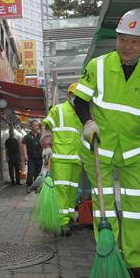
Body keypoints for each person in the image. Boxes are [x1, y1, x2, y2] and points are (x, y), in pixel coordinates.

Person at [72, 8, 140, 278]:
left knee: (134, 209)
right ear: (117, 38)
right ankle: (110, 256)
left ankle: (135, 261)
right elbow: (80, 100)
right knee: (105, 206)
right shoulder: (98, 66)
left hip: (132, 153)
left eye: (134, 41)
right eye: (123, 39)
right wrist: (87, 123)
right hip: (98, 148)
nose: (127, 46)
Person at [41, 83, 83, 236]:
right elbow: (47, 127)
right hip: (61, 158)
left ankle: (70, 218)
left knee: (72, 192)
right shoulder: (58, 109)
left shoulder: (81, 113)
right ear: (69, 96)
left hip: (76, 160)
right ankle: (61, 222)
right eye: (75, 96)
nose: (77, 99)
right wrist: (47, 146)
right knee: (62, 191)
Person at [22, 119, 43, 191]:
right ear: (31, 126)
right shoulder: (27, 136)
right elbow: (24, 145)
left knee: (38, 173)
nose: (36, 127)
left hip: (40, 158)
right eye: (35, 125)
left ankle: (36, 186)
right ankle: (29, 185)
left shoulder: (41, 136)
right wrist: (25, 155)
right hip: (31, 158)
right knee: (30, 172)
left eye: (37, 126)